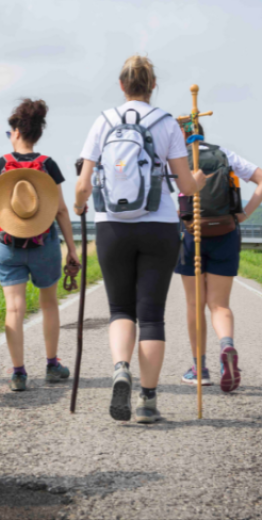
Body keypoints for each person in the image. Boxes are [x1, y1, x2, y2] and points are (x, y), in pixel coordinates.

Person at [74, 56, 206, 423]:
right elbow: (185, 186)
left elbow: (83, 185)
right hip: (159, 226)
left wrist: (80, 204)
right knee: (152, 316)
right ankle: (148, 401)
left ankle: (120, 368)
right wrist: (199, 180)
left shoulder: (103, 121)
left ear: (121, 86)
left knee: (120, 309)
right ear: (152, 87)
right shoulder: (167, 123)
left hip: (112, 226)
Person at [0, 98, 79, 392]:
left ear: (15, 131)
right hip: (45, 244)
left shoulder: (0, 165)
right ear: (37, 133)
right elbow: (61, 210)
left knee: (14, 309)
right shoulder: (47, 165)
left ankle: (19, 373)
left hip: (8, 245)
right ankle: (52, 365)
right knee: (48, 304)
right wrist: (72, 250)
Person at [175, 121, 262, 392]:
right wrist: (243, 214)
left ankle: (200, 369)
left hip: (190, 234)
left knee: (195, 304)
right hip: (225, 231)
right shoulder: (224, 155)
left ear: (182, 134)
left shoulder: (176, 157)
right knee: (219, 305)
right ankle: (226, 346)